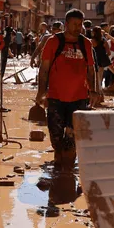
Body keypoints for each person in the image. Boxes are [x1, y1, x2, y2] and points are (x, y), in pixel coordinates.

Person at [36, 9, 99, 170]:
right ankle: (58, 160)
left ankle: (68, 171)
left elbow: (91, 70)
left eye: (80, 24)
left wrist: (94, 91)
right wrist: (41, 92)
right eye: (74, 24)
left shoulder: (86, 43)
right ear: (66, 25)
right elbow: (44, 70)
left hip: (79, 98)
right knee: (56, 136)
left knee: (73, 136)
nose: (78, 28)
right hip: (56, 97)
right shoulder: (53, 41)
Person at [90, 26, 111, 101]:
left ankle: (99, 96)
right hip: (102, 62)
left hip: (95, 61)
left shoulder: (92, 41)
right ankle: (101, 96)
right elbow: (108, 52)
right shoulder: (104, 40)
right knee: (100, 79)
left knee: (96, 80)